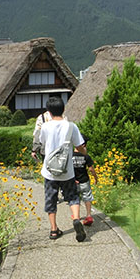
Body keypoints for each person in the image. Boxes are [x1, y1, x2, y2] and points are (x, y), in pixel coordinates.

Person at [39, 96, 87, 242]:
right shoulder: (71, 126)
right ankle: (77, 219)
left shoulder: (45, 127)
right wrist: (85, 154)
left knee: (50, 199)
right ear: (63, 109)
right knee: (72, 197)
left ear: (49, 112)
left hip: (50, 171)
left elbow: (42, 142)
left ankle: (54, 230)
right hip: (67, 171)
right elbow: (79, 146)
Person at [73, 136, 98, 226]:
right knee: (87, 197)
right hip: (84, 181)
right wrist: (96, 178)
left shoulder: (70, 156)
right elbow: (91, 169)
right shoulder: (86, 156)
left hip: (74, 182)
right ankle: (88, 215)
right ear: (83, 145)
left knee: (75, 199)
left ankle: (77, 216)